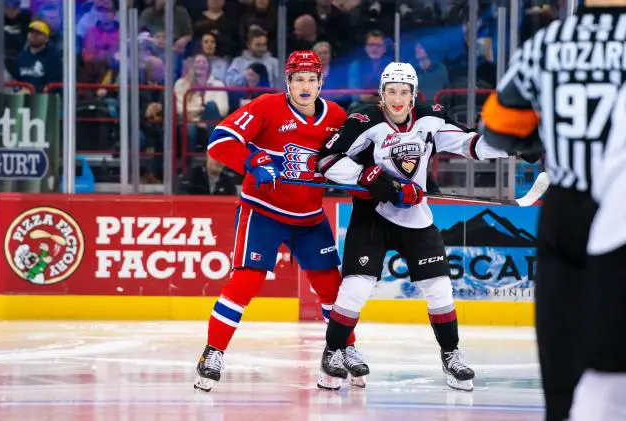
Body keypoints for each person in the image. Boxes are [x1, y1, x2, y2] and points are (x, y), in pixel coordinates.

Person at [316, 62, 510, 392]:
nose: (397, 98)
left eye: (404, 92)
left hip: (416, 218)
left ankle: (451, 355)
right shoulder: (365, 120)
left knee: (439, 289)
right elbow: (327, 161)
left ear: (413, 94)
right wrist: (370, 177)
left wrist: (512, 144)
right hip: (372, 216)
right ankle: (331, 354)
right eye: (391, 91)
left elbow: (471, 144)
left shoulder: (430, 118)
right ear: (381, 94)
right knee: (357, 287)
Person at [480, 1, 626, 420]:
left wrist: (541, 144)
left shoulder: (547, 43)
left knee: (561, 356)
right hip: (619, 205)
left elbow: (499, 128)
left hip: (567, 207)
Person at [194, 51, 362, 392]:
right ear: (287, 81)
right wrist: (251, 160)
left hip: (309, 216)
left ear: (320, 83)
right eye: (298, 79)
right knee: (246, 282)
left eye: (311, 79)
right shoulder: (266, 107)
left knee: (331, 287)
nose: (305, 85)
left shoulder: (337, 116)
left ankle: (343, 349)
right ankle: (212, 353)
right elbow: (220, 141)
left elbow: (358, 159)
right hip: (263, 211)